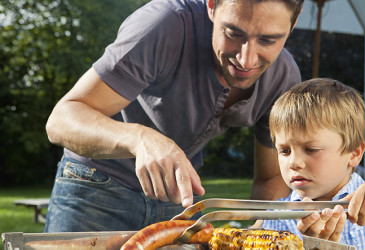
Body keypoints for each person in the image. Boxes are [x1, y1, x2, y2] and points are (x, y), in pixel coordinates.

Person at [44, 0, 305, 232]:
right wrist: (139, 139)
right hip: (95, 185)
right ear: (212, 5)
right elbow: (62, 119)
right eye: (233, 33)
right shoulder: (164, 24)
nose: (246, 59)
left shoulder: (284, 78)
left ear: (293, 23)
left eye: (269, 40)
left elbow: (272, 177)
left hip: (177, 199)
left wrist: (263, 227)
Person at [255, 78, 365, 249]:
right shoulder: (273, 222)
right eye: (285, 151)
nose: (294, 162)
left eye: (311, 149)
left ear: (354, 153)